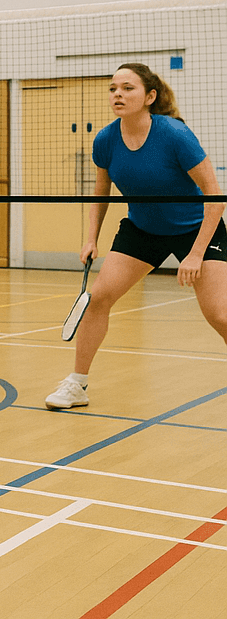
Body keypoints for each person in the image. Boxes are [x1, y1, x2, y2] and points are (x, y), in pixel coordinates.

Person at [46, 63, 227, 410]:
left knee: (220, 314)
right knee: (99, 298)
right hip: (142, 229)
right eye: (113, 88)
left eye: (128, 88)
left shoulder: (174, 134)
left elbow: (214, 196)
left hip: (195, 228)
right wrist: (90, 239)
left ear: (150, 96)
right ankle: (77, 384)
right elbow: (101, 195)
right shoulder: (106, 139)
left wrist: (195, 254)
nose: (118, 94)